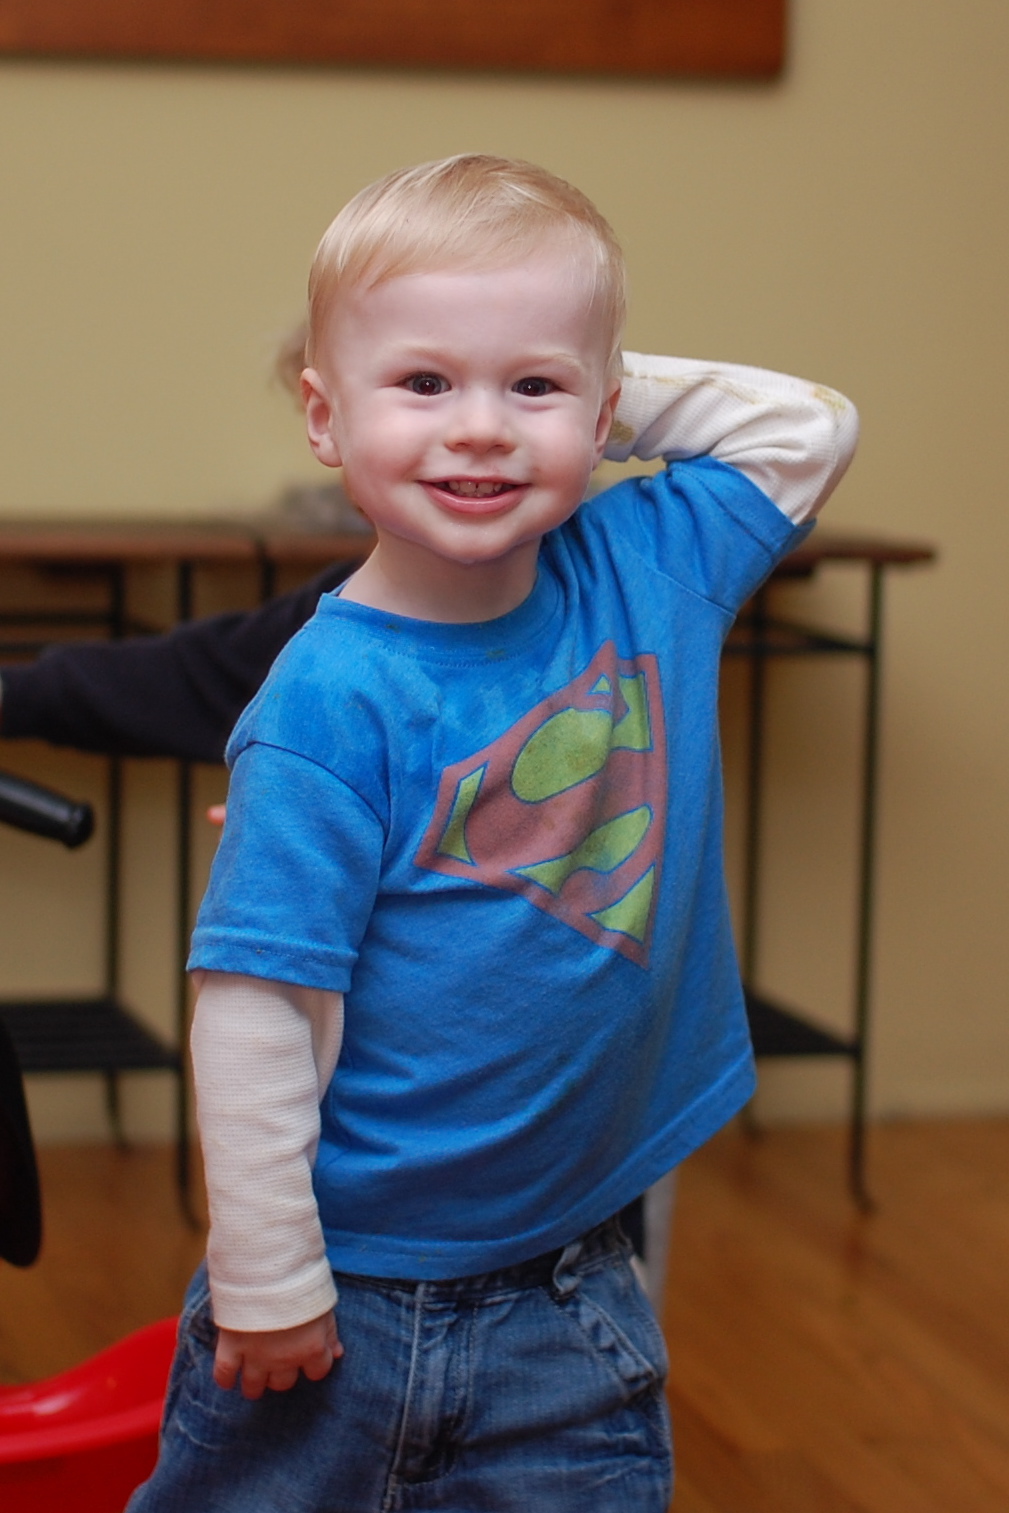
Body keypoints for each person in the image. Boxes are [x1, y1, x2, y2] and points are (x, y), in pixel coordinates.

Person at [131, 150, 857, 1511]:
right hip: (352, 1285)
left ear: (607, 407)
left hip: (574, 1277)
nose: (479, 429)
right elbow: (254, 1009)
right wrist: (267, 1275)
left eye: (530, 386)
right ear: (324, 417)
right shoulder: (327, 702)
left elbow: (808, 428)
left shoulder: (649, 565)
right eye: (422, 383)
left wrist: (586, 386)